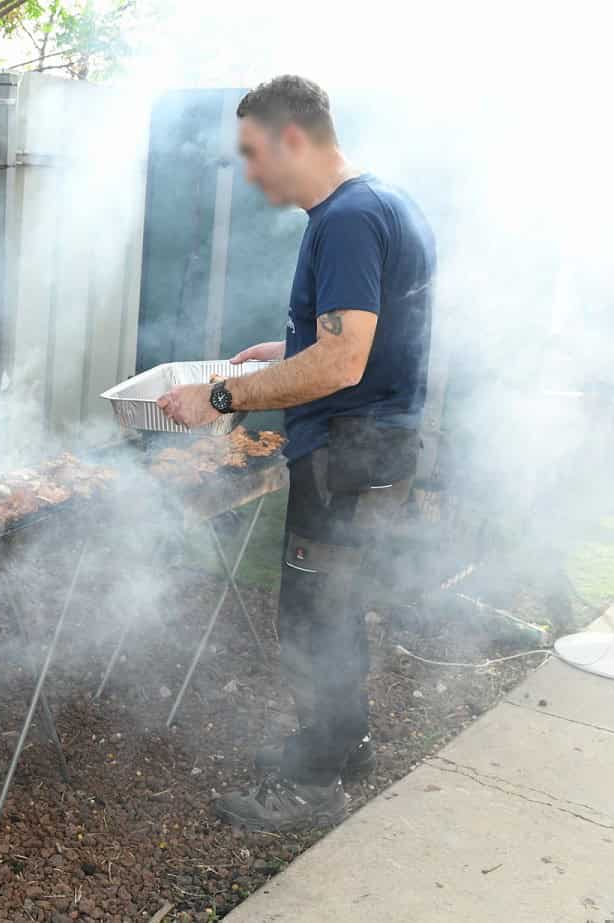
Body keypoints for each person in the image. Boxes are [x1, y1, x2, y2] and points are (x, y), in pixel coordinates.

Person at [159, 75, 436, 832]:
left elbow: (343, 361)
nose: (249, 173)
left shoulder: (346, 219)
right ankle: (347, 746)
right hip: (377, 449)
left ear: (292, 138)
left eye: (252, 153)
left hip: (347, 455)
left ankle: (314, 785)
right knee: (338, 611)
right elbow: (364, 341)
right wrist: (282, 352)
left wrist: (221, 396)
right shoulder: (385, 201)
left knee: (314, 621)